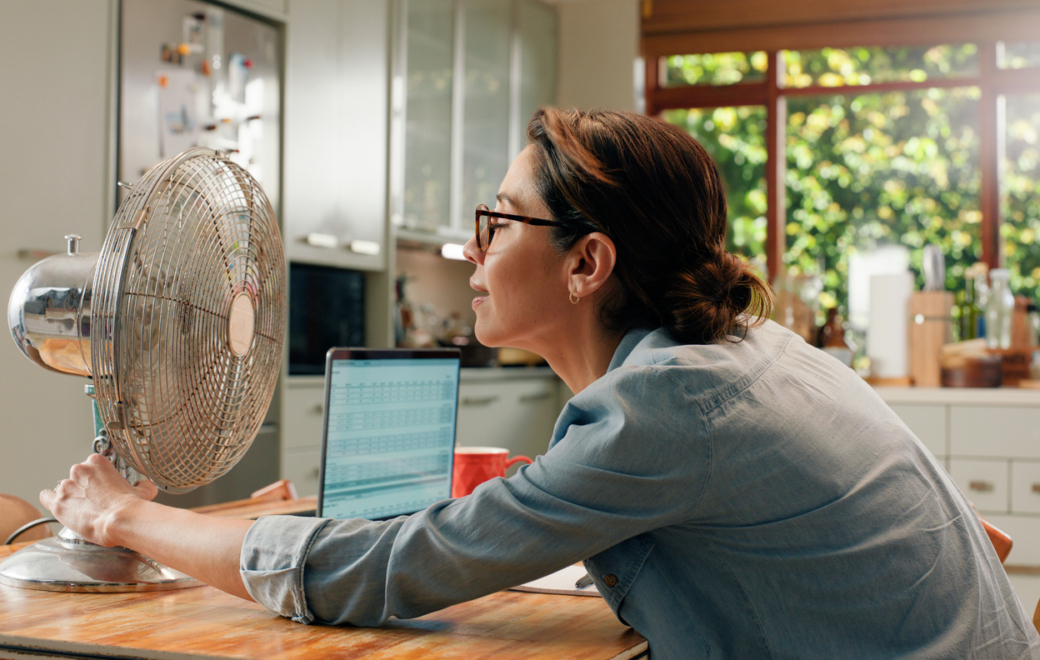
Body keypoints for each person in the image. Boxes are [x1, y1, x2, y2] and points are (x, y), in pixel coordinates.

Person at [43, 108, 1039, 659]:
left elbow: (376, 574)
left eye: (498, 220)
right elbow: (977, 538)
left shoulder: (666, 408)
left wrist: (124, 516)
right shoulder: (756, 353)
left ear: (586, 264)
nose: (471, 250)